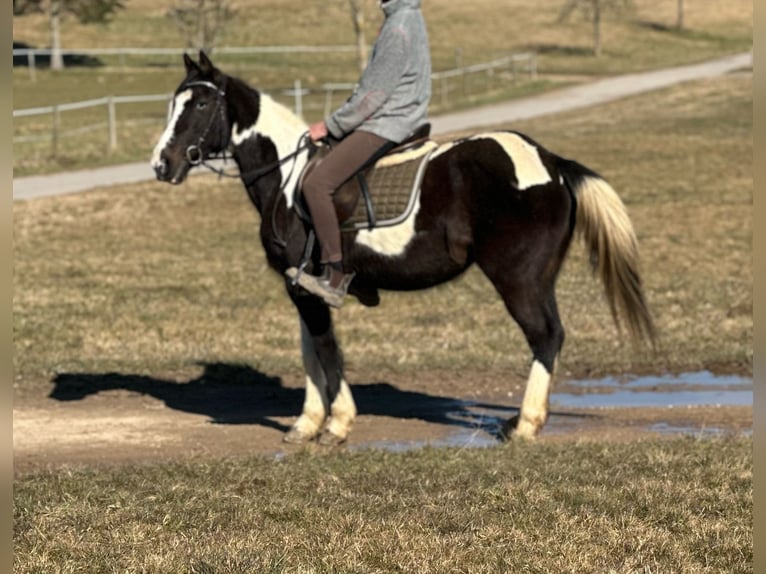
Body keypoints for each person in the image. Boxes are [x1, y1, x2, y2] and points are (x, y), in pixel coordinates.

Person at [287, 0, 431, 308]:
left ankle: (334, 277)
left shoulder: (398, 28)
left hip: (387, 123)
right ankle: (361, 275)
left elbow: (372, 96)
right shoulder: (410, 16)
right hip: (404, 117)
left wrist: (331, 125)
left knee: (317, 184)